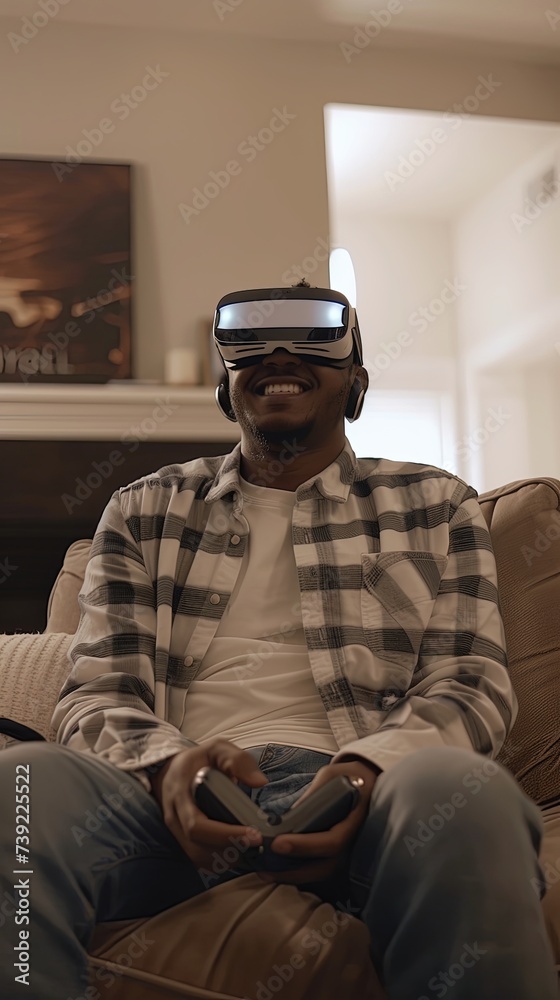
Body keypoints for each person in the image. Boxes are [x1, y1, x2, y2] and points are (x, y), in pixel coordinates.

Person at [0, 282, 557, 998]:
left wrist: (365, 771)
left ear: (356, 384)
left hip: (376, 791)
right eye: (253, 344)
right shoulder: (143, 508)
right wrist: (172, 768)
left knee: (464, 790)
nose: (281, 356)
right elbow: (100, 691)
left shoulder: (433, 504)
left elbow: (469, 683)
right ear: (224, 384)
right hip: (165, 797)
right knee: (22, 786)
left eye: (313, 343)